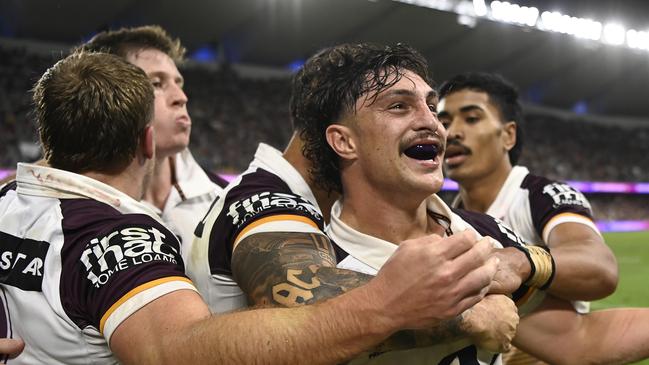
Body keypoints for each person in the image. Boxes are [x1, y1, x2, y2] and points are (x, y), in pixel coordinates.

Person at [0, 50, 501, 364]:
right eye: (397, 106)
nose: (434, 124)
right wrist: (412, 306)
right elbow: (173, 351)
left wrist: (534, 262)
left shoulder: (8, 202)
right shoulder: (123, 236)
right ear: (147, 142)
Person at [304, 45, 649, 365]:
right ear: (344, 141)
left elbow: (578, 337)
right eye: (399, 106)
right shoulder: (306, 260)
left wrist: (523, 262)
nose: (437, 126)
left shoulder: (482, 235)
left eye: (430, 107)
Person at [437, 72, 618, 363]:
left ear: (508, 135)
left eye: (471, 119)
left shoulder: (541, 195)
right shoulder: (445, 215)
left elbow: (600, 267)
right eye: (443, 122)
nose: (452, 132)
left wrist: (522, 262)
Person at [76, 25, 228, 259]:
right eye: (157, 83)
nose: (181, 97)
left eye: (180, 83)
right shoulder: (74, 208)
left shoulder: (223, 200)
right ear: (109, 98)